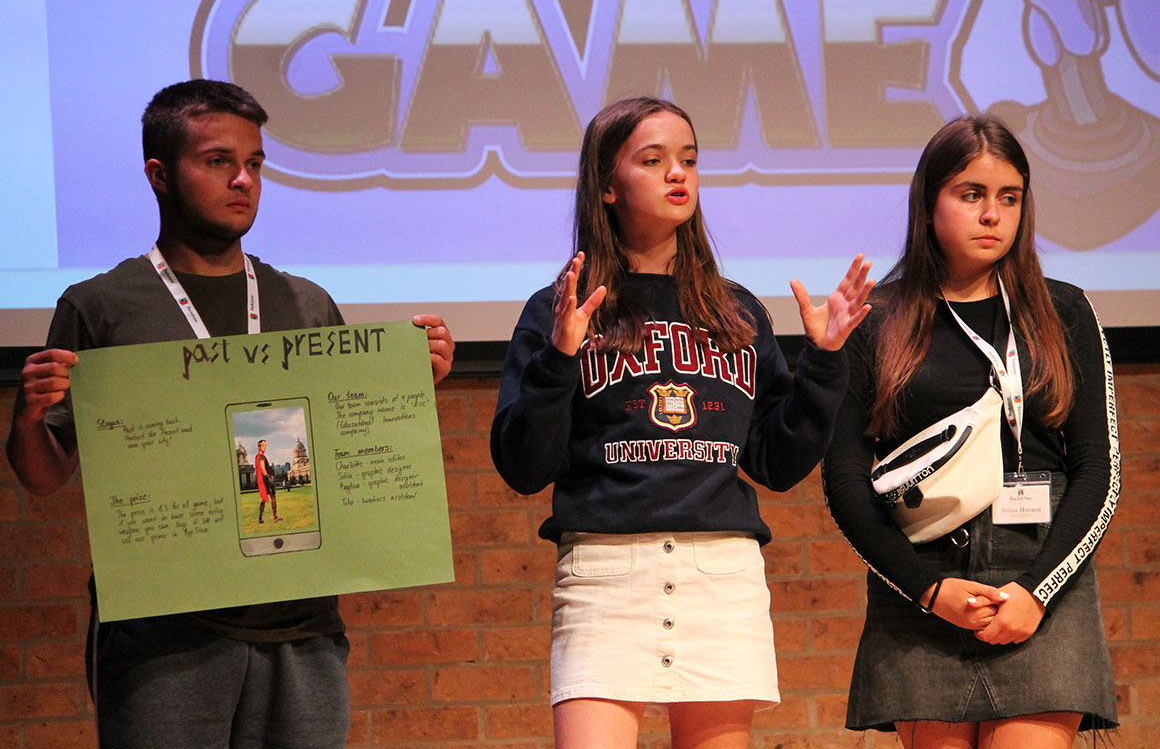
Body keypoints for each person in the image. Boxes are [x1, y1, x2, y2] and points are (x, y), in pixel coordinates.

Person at [5, 79, 455, 748]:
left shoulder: (304, 304)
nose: (243, 180)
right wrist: (28, 418)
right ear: (159, 174)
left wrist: (408, 388)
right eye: (218, 161)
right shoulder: (102, 306)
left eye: (254, 163)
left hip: (301, 624)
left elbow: (344, 454)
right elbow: (44, 476)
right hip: (164, 633)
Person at [490, 96, 873, 749]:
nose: (678, 174)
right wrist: (558, 357)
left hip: (720, 572)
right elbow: (525, 467)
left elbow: (777, 462)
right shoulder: (561, 311)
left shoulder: (735, 311)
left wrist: (826, 361)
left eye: (689, 160)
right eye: (653, 160)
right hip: (606, 571)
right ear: (606, 186)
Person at [820, 114, 1118, 748]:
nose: (992, 215)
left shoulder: (1064, 309)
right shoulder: (878, 319)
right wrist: (928, 591)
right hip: (925, 583)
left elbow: (1100, 470)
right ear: (930, 205)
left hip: (1043, 579)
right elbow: (844, 480)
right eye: (971, 194)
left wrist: (1038, 590)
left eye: (1009, 197)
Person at [255, 439, 280, 523]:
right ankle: (275, 517)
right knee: (273, 498)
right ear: (259, 447)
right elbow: (263, 469)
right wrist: (269, 479)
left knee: (264, 499)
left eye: (265, 446)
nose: (265, 447)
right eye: (263, 446)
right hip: (266, 480)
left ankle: (260, 518)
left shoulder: (257, 456)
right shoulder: (261, 457)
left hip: (263, 480)